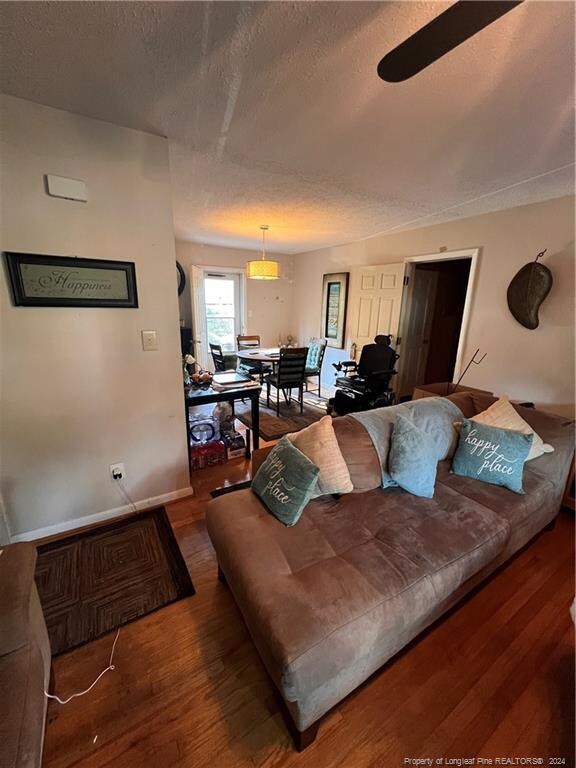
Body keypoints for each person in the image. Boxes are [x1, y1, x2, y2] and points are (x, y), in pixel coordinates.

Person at [328, 335, 398, 416]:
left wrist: (372, 374)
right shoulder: (368, 349)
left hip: (378, 380)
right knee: (343, 392)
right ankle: (342, 410)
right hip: (364, 377)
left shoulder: (390, 353)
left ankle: (352, 412)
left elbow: (386, 372)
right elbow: (362, 368)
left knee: (361, 391)